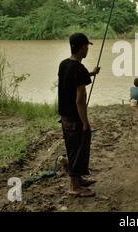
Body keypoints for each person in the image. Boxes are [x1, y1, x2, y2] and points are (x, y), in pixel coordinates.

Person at [58, 32, 100, 197]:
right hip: (75, 118)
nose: (87, 49)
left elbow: (71, 79)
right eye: (86, 46)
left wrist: (90, 73)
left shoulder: (64, 64)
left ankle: (77, 178)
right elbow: (80, 100)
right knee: (79, 149)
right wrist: (85, 123)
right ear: (82, 47)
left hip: (64, 116)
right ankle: (74, 186)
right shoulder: (79, 68)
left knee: (72, 147)